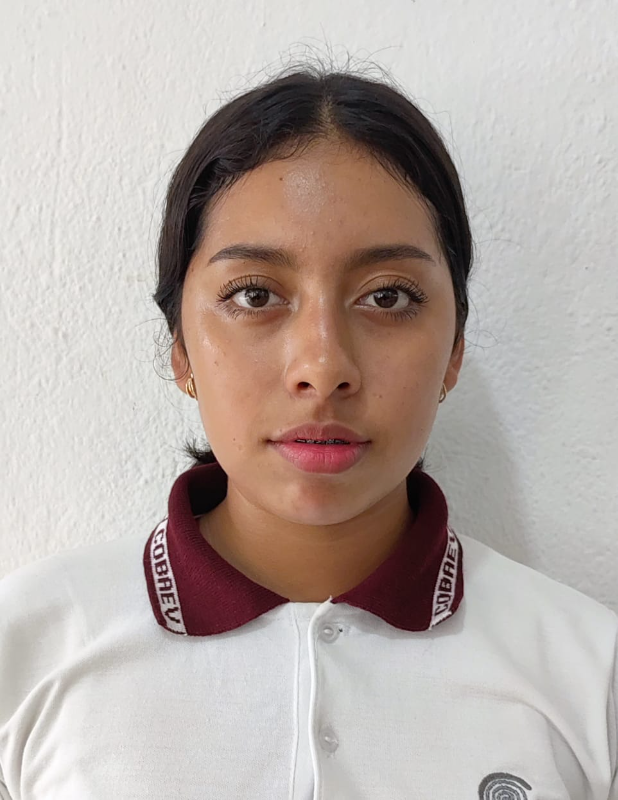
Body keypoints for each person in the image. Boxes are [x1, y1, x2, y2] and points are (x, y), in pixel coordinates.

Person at [1, 61, 616, 800]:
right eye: (255, 295)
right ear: (180, 349)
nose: (323, 369)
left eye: (387, 297)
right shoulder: (26, 653)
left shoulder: (590, 677)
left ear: (454, 349)